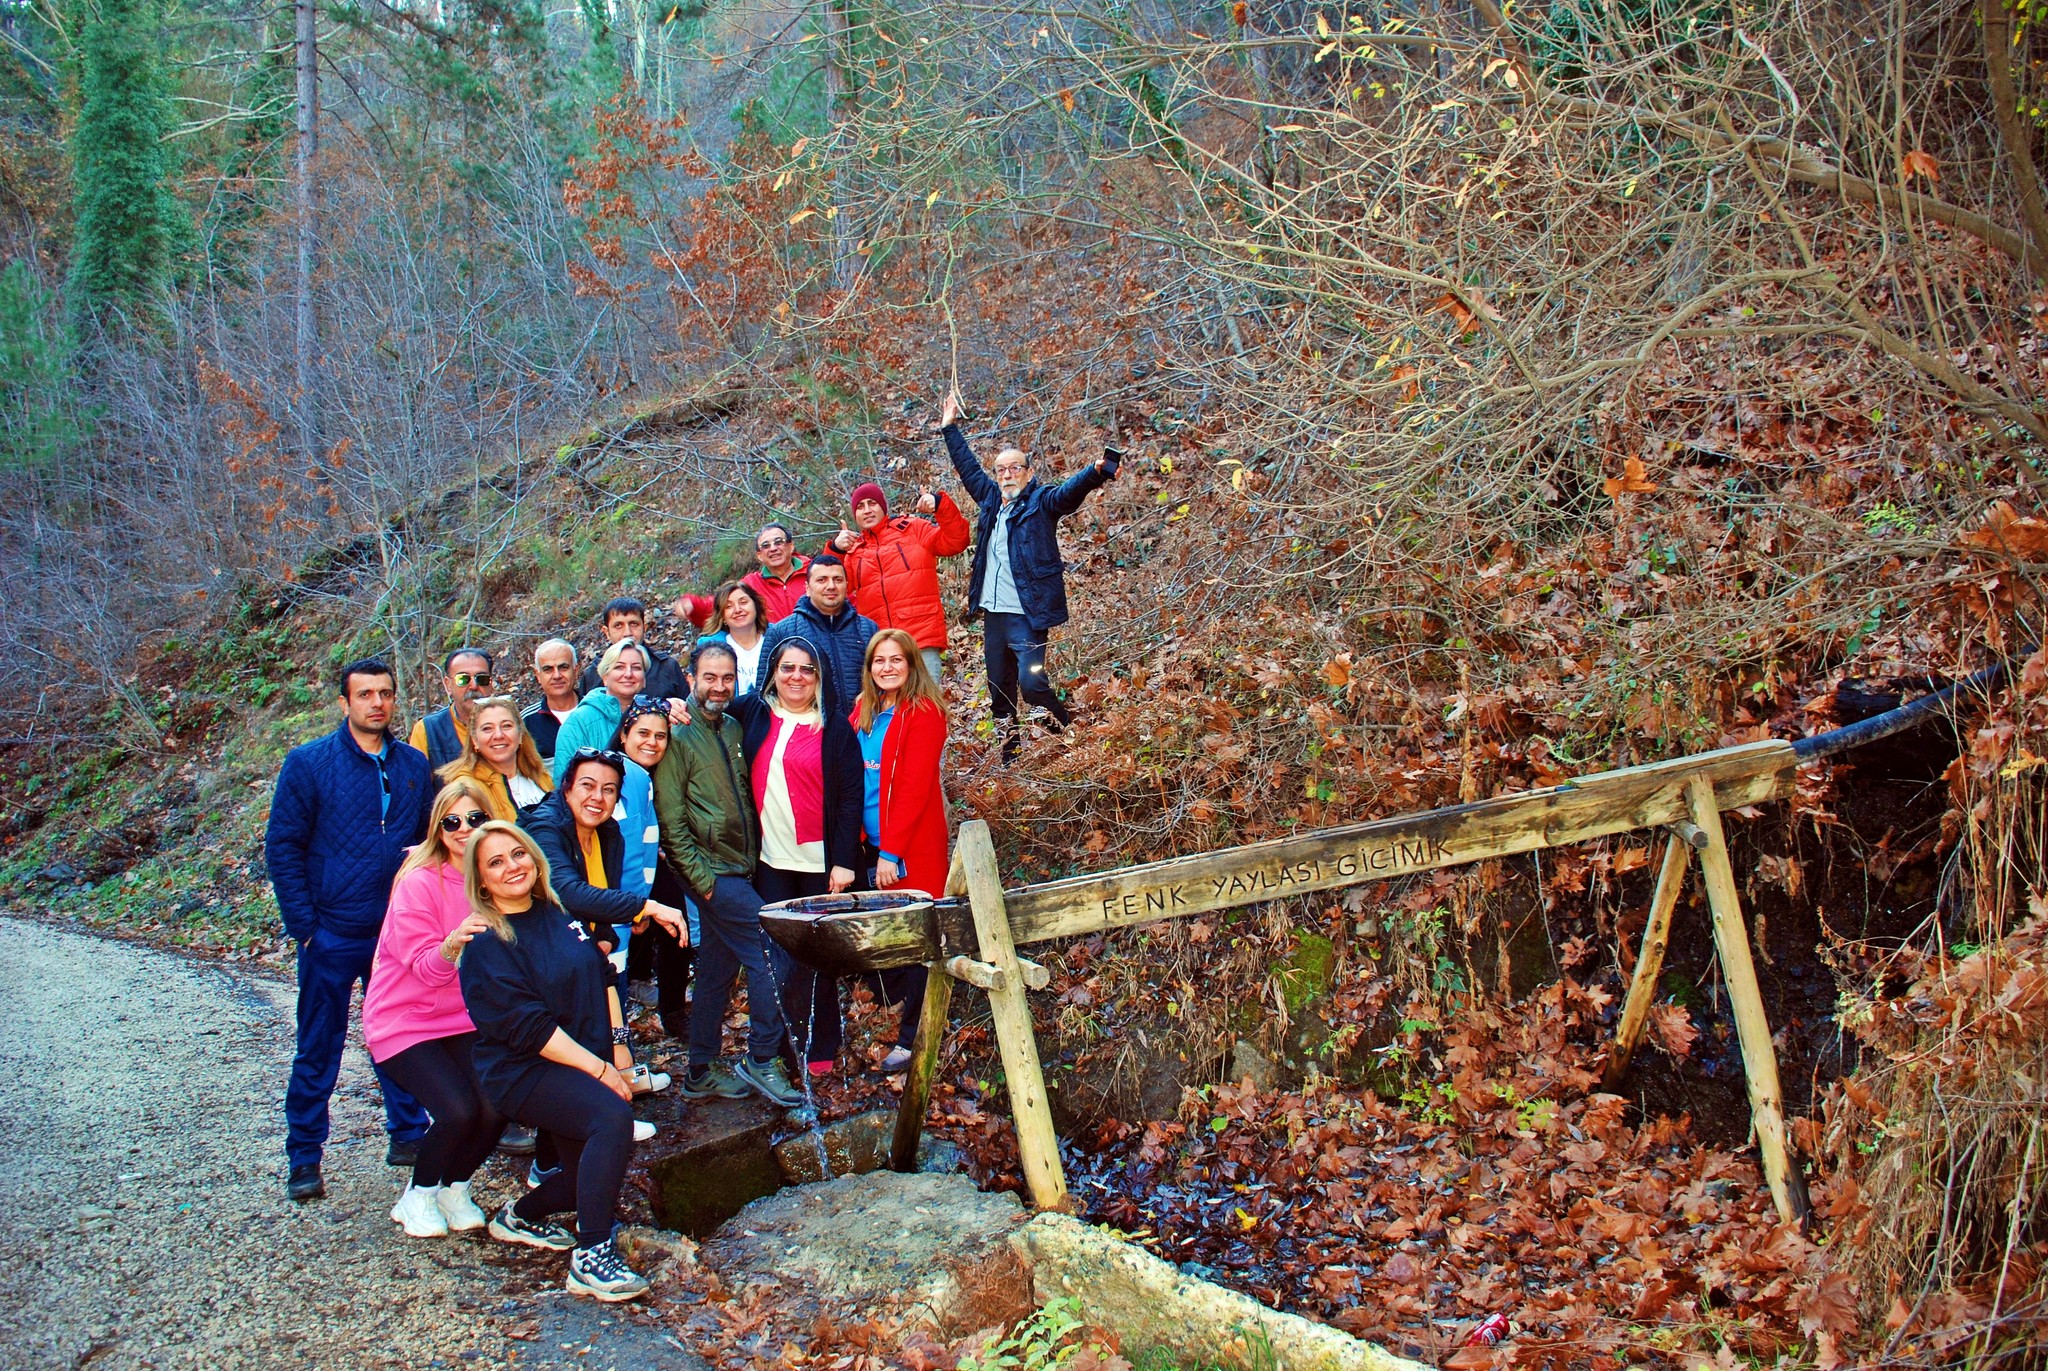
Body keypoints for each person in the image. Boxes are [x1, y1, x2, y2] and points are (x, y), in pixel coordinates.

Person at [458, 822, 674, 1301]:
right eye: (495, 862)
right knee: (611, 1118)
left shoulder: (554, 912)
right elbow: (531, 1029)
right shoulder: (487, 945)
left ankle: (519, 1217)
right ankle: (592, 1255)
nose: (511, 866)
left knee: (583, 1179)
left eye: (517, 854)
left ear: (534, 859)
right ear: (481, 880)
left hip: (579, 1058)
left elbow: (603, 976)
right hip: (524, 1069)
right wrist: (599, 1072)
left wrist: (618, 1050)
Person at [265, 658, 432, 1202]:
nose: (377, 703)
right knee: (319, 1047)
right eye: (365, 695)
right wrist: (306, 927)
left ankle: (408, 1133)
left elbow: (429, 841)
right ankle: (304, 1156)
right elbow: (283, 846)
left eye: (385, 693)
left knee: (401, 1037)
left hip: (395, 935)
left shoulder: (411, 764)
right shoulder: (309, 763)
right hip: (332, 932)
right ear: (345, 703)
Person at [650, 641, 803, 1107]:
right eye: (709, 677)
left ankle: (699, 1070)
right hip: (712, 874)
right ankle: (760, 1058)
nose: (719, 687)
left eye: (727, 678)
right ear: (690, 679)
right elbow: (672, 824)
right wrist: (707, 883)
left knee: (716, 971)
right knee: (772, 949)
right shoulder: (675, 734)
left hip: (739, 866)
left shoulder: (733, 728)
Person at [940, 389, 1120, 761]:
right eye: (1001, 470)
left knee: (1032, 682)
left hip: (1027, 615)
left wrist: (1094, 473)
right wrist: (949, 428)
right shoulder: (991, 500)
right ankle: (1011, 754)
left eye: (1014, 468)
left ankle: (1065, 733)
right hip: (994, 616)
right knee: (999, 688)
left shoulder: (1041, 503)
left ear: (1029, 472)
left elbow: (1067, 495)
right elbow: (968, 469)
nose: (1007, 475)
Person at [362, 779, 507, 1238]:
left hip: (462, 1017)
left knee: (498, 1104)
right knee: (458, 1111)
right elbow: (424, 969)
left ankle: (454, 1186)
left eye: (475, 819)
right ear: (438, 829)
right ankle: (417, 1195)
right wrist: (452, 943)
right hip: (404, 1018)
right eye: (452, 822)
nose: (464, 829)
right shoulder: (417, 881)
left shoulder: (492, 876)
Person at [725, 638, 862, 1075]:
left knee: (818, 960)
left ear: (819, 677)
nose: (796, 677)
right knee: (777, 961)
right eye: (788, 668)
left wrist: (844, 860)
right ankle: (782, 1046)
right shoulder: (754, 713)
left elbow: (849, 797)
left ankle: (822, 1043)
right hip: (769, 862)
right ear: (773, 672)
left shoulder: (833, 727)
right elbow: (708, 704)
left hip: (819, 864)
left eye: (806, 669)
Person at [520, 748, 683, 1097]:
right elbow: (568, 891)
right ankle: (600, 1095)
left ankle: (620, 1073)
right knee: (592, 981)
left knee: (605, 973)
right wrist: (646, 907)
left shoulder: (608, 832)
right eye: (588, 786)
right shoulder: (545, 828)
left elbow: (600, 891)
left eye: (609, 790)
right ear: (566, 789)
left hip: (576, 943)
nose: (598, 797)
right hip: (533, 950)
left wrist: (608, 931)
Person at [852, 629, 950, 1072]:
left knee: (916, 938)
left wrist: (890, 853)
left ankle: (914, 1038)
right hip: (869, 842)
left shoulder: (924, 714)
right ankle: (895, 1003)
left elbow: (911, 788)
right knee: (884, 935)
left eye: (897, 659)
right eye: (879, 660)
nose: (887, 667)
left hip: (911, 846)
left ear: (912, 665)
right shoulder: (864, 711)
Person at [612, 697, 696, 1038]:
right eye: (642, 734)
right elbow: (628, 846)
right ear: (624, 736)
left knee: (675, 926)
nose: (652, 742)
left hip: (648, 868)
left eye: (660, 736)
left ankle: (672, 1011)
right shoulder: (624, 774)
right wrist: (638, 905)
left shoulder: (648, 773)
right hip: (619, 877)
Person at [826, 480, 970, 679]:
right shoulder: (853, 552)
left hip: (920, 641)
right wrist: (836, 550)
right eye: (860, 506)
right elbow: (830, 589)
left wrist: (939, 505)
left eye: (872, 503)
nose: (867, 510)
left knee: (925, 707)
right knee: (889, 710)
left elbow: (957, 540)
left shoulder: (913, 529)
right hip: (880, 649)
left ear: (883, 507)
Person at [758, 556, 877, 726]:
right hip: (810, 732)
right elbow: (763, 693)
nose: (831, 586)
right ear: (807, 587)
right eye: (822, 580)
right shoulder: (783, 632)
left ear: (846, 585)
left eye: (838, 580)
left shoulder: (868, 629)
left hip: (865, 728)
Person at [441, 696, 553, 821]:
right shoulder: (467, 788)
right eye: (487, 728)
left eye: (506, 726)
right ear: (474, 740)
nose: (498, 735)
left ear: (520, 734)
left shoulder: (539, 774)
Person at [552, 639, 646, 785]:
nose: (628, 674)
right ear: (605, 677)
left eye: (636, 667)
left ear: (644, 678)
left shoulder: (651, 716)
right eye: (619, 667)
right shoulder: (579, 721)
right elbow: (563, 783)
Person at [576, 598, 689, 713]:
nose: (627, 633)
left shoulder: (667, 667)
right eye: (618, 626)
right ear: (606, 632)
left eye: (634, 624)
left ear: (644, 628)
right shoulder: (593, 674)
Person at [409, 648, 495, 774]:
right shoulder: (428, 731)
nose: (474, 686)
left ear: (490, 684)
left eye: (481, 679)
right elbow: (417, 787)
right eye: (463, 679)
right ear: (448, 684)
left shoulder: (507, 726)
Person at [697, 581, 771, 697]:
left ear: (756, 606)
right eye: (728, 606)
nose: (738, 610)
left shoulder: (778, 637)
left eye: (743, 602)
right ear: (722, 616)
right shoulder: (709, 646)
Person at [524, 639, 583, 765]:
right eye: (548, 669)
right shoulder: (526, 722)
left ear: (576, 670)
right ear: (538, 675)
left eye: (563, 667)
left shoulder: (595, 712)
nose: (557, 675)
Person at [743, 523, 810, 623]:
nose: (773, 549)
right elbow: (724, 603)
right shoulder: (751, 584)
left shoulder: (813, 571)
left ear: (791, 546)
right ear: (759, 555)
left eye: (778, 542)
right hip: (775, 638)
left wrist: (836, 548)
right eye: (766, 546)